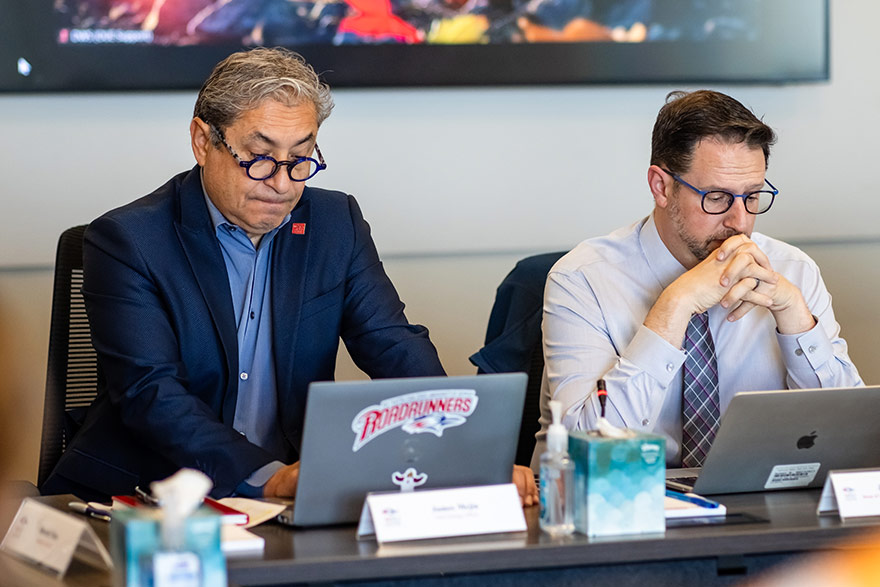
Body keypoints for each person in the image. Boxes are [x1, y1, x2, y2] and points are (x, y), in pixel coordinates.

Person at [40, 47, 537, 506]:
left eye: (300, 158)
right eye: (258, 158)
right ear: (202, 141)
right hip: (150, 495)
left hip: (294, 495)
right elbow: (152, 392)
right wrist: (267, 476)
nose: (281, 184)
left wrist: (466, 451)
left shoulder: (334, 223)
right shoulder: (129, 240)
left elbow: (392, 345)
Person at [532, 90, 862, 469]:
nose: (739, 221)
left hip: (757, 506)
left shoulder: (793, 269)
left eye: (753, 196)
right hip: (621, 507)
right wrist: (675, 306)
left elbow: (847, 442)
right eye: (717, 197)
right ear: (661, 186)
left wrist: (797, 322)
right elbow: (583, 452)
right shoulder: (582, 279)